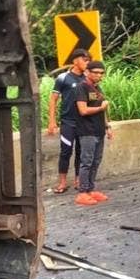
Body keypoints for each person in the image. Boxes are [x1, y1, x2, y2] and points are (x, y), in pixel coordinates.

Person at [46, 48, 90, 193]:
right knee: (65, 151)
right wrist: (52, 121)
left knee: (80, 151)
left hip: (83, 121)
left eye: (88, 60)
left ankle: (78, 180)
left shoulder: (87, 78)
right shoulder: (63, 78)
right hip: (68, 121)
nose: (87, 63)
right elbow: (53, 100)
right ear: (75, 60)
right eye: (85, 60)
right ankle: (62, 182)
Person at [74, 61, 113, 206]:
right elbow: (83, 110)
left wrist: (107, 126)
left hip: (99, 130)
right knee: (87, 161)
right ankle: (82, 192)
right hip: (87, 131)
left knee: (96, 161)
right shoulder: (81, 87)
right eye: (95, 72)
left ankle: (90, 189)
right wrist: (101, 108)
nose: (98, 75)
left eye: (101, 73)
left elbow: (103, 109)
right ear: (87, 72)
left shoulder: (98, 88)